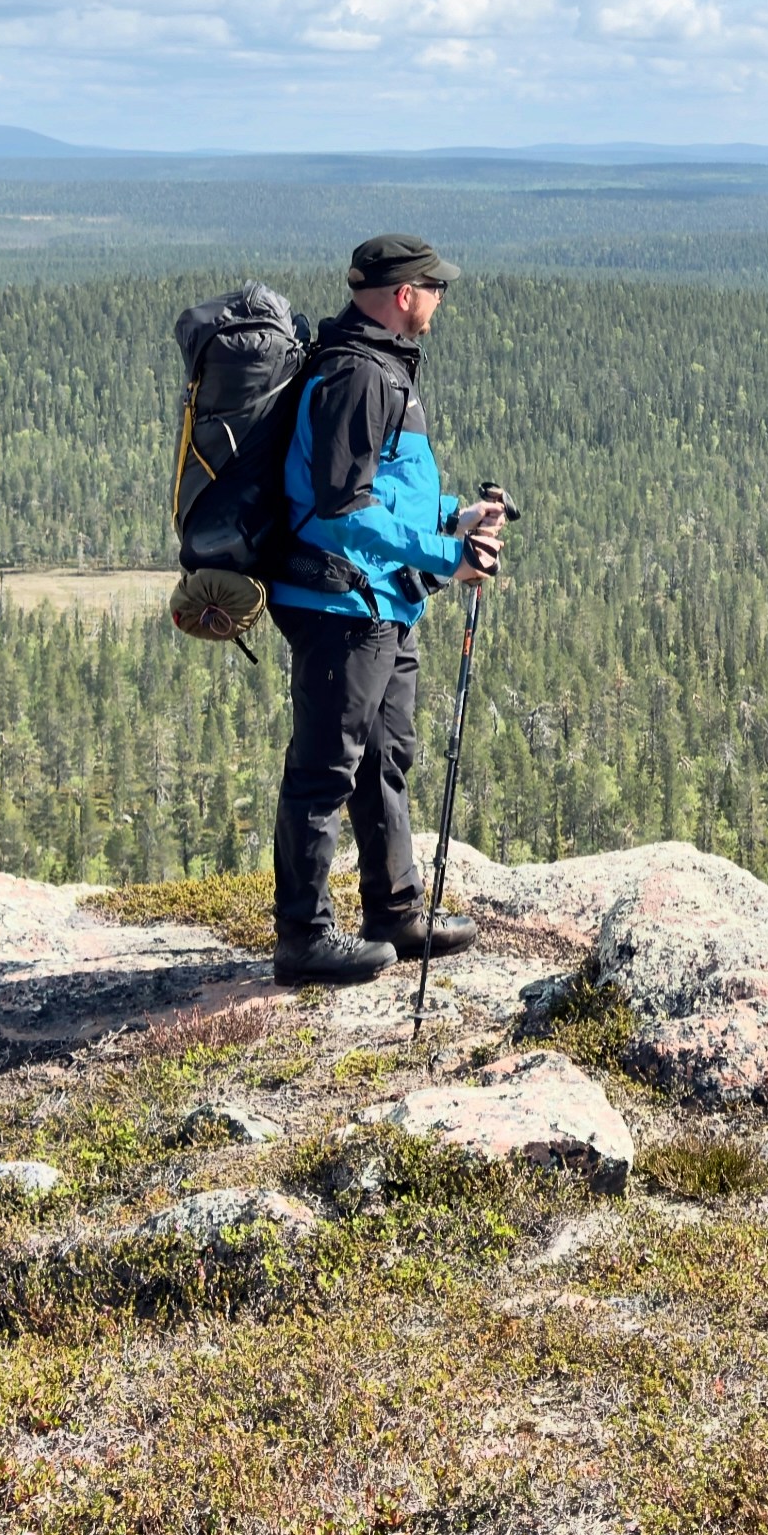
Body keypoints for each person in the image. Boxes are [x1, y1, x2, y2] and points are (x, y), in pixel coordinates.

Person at [263, 233, 509, 985]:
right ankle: (302, 939)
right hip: (340, 601)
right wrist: (447, 558)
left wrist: (450, 518)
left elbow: (383, 491)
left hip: (377, 600)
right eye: (435, 289)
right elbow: (341, 510)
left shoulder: (373, 366)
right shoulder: (359, 374)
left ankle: (394, 909)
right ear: (406, 295)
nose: (439, 301)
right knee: (325, 768)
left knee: (384, 759)